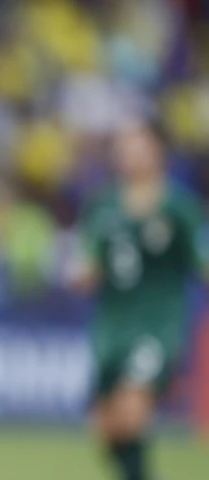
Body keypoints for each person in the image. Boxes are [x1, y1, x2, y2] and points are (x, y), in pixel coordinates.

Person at [69, 118, 207, 480]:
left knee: (132, 412)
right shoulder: (102, 205)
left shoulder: (181, 208)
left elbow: (203, 260)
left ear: (157, 151)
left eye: (136, 144)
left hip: (158, 324)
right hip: (111, 326)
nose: (127, 153)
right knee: (106, 427)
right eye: (123, 145)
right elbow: (89, 261)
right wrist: (80, 273)